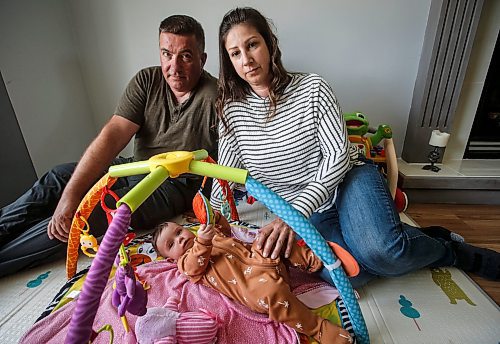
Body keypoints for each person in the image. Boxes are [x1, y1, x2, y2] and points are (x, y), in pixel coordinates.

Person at [210, 7, 500, 287]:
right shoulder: (231, 112)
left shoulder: (313, 87)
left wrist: (292, 216)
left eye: (252, 45)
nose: (246, 59)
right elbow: (225, 176)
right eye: (236, 53)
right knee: (353, 274)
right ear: (230, 61)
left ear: (269, 44)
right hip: (309, 208)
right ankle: (410, 236)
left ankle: (453, 252)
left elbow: (337, 157)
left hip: (349, 180)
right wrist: (212, 221)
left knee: (385, 253)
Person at [0, 15, 218, 278]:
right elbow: (113, 136)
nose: (174, 66)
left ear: (202, 59)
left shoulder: (215, 96)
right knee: (58, 178)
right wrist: (71, 194)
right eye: (166, 54)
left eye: (185, 56)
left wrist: (74, 204)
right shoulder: (147, 80)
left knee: (88, 215)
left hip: (174, 185)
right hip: (134, 166)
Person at [152, 212, 355, 344]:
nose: (180, 239)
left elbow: (227, 233)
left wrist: (217, 221)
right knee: (274, 296)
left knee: (271, 240)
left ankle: (312, 260)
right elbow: (197, 263)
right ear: (168, 258)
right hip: (255, 287)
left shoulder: (206, 236)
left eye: (179, 231)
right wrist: (203, 243)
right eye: (171, 244)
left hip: (259, 257)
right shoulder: (185, 263)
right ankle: (319, 329)